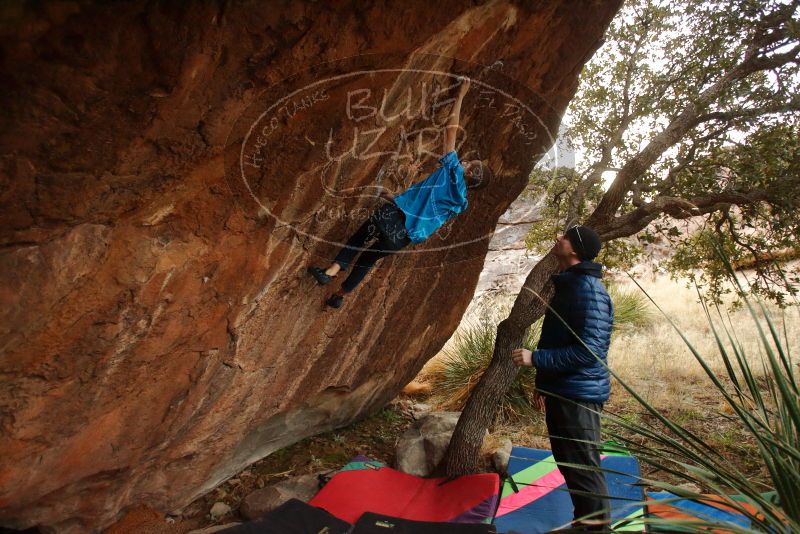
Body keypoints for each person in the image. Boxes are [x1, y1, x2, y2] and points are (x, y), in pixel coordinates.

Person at [307, 76, 491, 308]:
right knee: (367, 260)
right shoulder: (459, 203)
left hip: (391, 217)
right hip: (401, 239)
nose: (464, 161)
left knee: (358, 240)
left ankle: (331, 271)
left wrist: (461, 95)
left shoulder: (453, 172)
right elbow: (425, 209)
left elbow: (450, 131)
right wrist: (395, 198)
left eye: (468, 163)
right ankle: (339, 298)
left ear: (470, 174)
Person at [511, 225, 614, 531]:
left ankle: (596, 528)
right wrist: (544, 384)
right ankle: (586, 523)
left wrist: (536, 359)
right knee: (570, 461)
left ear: (575, 249)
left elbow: (590, 351)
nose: (558, 239)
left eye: (565, 237)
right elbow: (560, 339)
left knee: (582, 464)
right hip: (563, 388)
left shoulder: (588, 291)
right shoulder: (572, 285)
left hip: (578, 393)